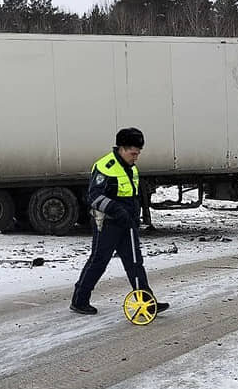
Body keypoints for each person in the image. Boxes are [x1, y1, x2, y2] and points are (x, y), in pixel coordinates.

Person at [71, 127, 169, 315]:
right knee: (99, 261)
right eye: (133, 153)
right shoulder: (105, 166)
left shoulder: (132, 168)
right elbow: (94, 197)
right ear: (122, 149)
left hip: (128, 223)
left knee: (135, 262)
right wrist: (117, 210)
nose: (136, 157)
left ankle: (146, 302)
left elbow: (132, 196)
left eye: (138, 153)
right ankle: (79, 301)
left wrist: (134, 216)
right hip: (107, 224)